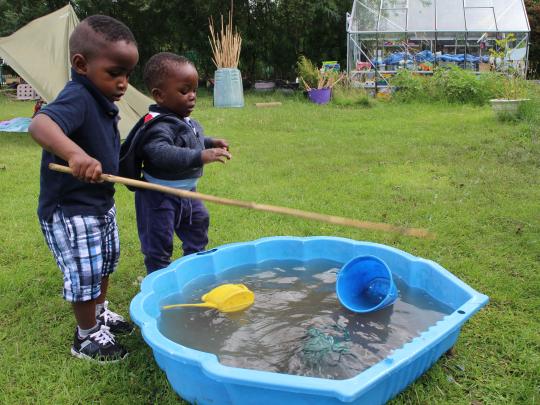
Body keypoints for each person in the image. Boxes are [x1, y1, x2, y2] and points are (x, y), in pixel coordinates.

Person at [28, 15, 139, 362]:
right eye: (114, 73)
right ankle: (86, 336)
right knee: (85, 270)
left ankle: (100, 313)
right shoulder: (77, 95)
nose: (123, 83)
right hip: (70, 209)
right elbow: (40, 124)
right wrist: (75, 154)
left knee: (106, 262)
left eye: (127, 75)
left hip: (98, 204)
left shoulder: (104, 101)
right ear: (81, 64)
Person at [120, 52, 231, 274]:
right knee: (158, 241)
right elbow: (161, 153)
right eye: (184, 91)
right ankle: (158, 277)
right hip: (159, 197)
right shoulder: (159, 125)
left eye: (194, 90)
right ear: (159, 95)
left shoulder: (182, 119)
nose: (192, 97)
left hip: (188, 193)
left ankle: (194, 267)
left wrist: (209, 142)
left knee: (198, 224)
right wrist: (200, 156)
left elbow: (189, 140)